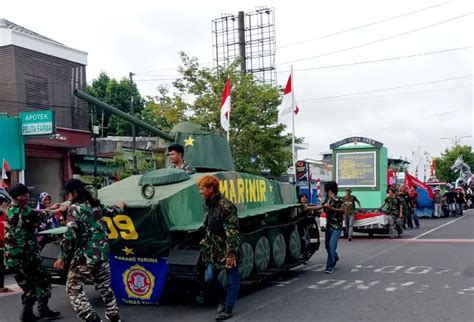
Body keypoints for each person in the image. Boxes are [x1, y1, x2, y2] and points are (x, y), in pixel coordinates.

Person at [54, 179, 120, 322]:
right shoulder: (95, 205)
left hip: (86, 256)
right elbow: (113, 211)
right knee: (105, 287)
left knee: (73, 288)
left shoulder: (74, 209)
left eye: (68, 194)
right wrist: (120, 206)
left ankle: (91, 318)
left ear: (75, 193)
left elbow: (70, 234)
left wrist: (61, 257)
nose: (67, 198)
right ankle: (114, 316)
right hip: (102, 254)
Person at [5, 183, 60, 321]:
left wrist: (50, 209)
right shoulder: (22, 212)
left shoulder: (12, 209)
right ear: (18, 198)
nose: (27, 197)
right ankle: (39, 310)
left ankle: (29, 313)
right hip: (25, 257)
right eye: (24, 195)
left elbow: (35, 214)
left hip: (14, 258)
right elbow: (36, 216)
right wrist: (55, 211)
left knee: (29, 286)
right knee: (43, 280)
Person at [198, 175, 240, 320]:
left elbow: (233, 231)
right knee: (209, 278)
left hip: (228, 249)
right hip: (213, 249)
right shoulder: (207, 204)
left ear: (211, 189)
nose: (200, 192)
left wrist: (232, 253)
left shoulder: (226, 206)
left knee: (232, 279)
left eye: (202, 189)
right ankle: (222, 300)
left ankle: (227, 309)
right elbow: (208, 225)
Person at [0, 188, 13, 293]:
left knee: (1, 266)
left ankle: (1, 286)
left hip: (3, 245)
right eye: (3, 204)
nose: (4, 205)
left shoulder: (5, 215)